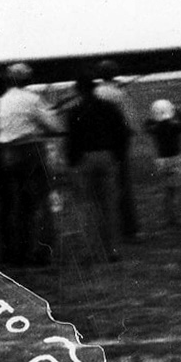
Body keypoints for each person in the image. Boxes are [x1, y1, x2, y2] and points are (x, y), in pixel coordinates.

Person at [0, 63, 64, 269]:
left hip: (7, 154)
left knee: (20, 205)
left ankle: (20, 252)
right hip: (30, 151)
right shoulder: (32, 99)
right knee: (43, 201)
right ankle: (43, 252)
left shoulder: (3, 100)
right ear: (28, 79)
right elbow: (54, 126)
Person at [65, 76, 131, 261]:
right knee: (109, 205)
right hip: (107, 156)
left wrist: (72, 162)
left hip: (85, 159)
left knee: (87, 206)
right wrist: (118, 156)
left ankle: (90, 251)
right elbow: (123, 133)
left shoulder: (74, 111)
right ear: (94, 89)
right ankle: (112, 250)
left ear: (79, 91)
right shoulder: (109, 108)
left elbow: (71, 141)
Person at [94, 59, 141, 241]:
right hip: (118, 146)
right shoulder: (119, 94)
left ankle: (105, 231)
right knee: (123, 186)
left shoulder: (95, 92)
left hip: (98, 145)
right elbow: (131, 123)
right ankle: (129, 231)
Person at [144, 99, 181, 229]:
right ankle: (178, 217)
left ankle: (169, 217)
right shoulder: (175, 126)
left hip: (161, 161)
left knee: (167, 191)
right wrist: (177, 111)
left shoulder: (154, 128)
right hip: (176, 159)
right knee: (178, 191)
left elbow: (147, 124)